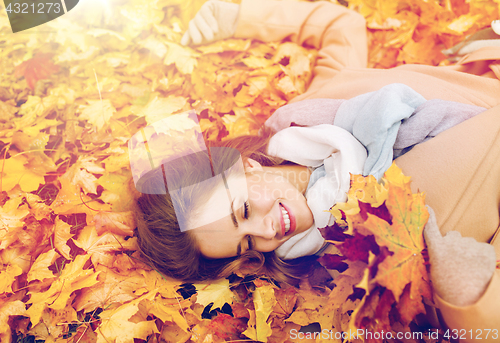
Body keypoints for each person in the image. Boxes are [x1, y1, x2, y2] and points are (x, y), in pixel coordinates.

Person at [135, 0, 500, 338]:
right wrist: (469, 300)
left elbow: (344, 27)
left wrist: (234, 17)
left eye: (244, 210)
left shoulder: (310, 120)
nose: (267, 232)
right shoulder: (345, 261)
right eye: (247, 244)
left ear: (247, 167)